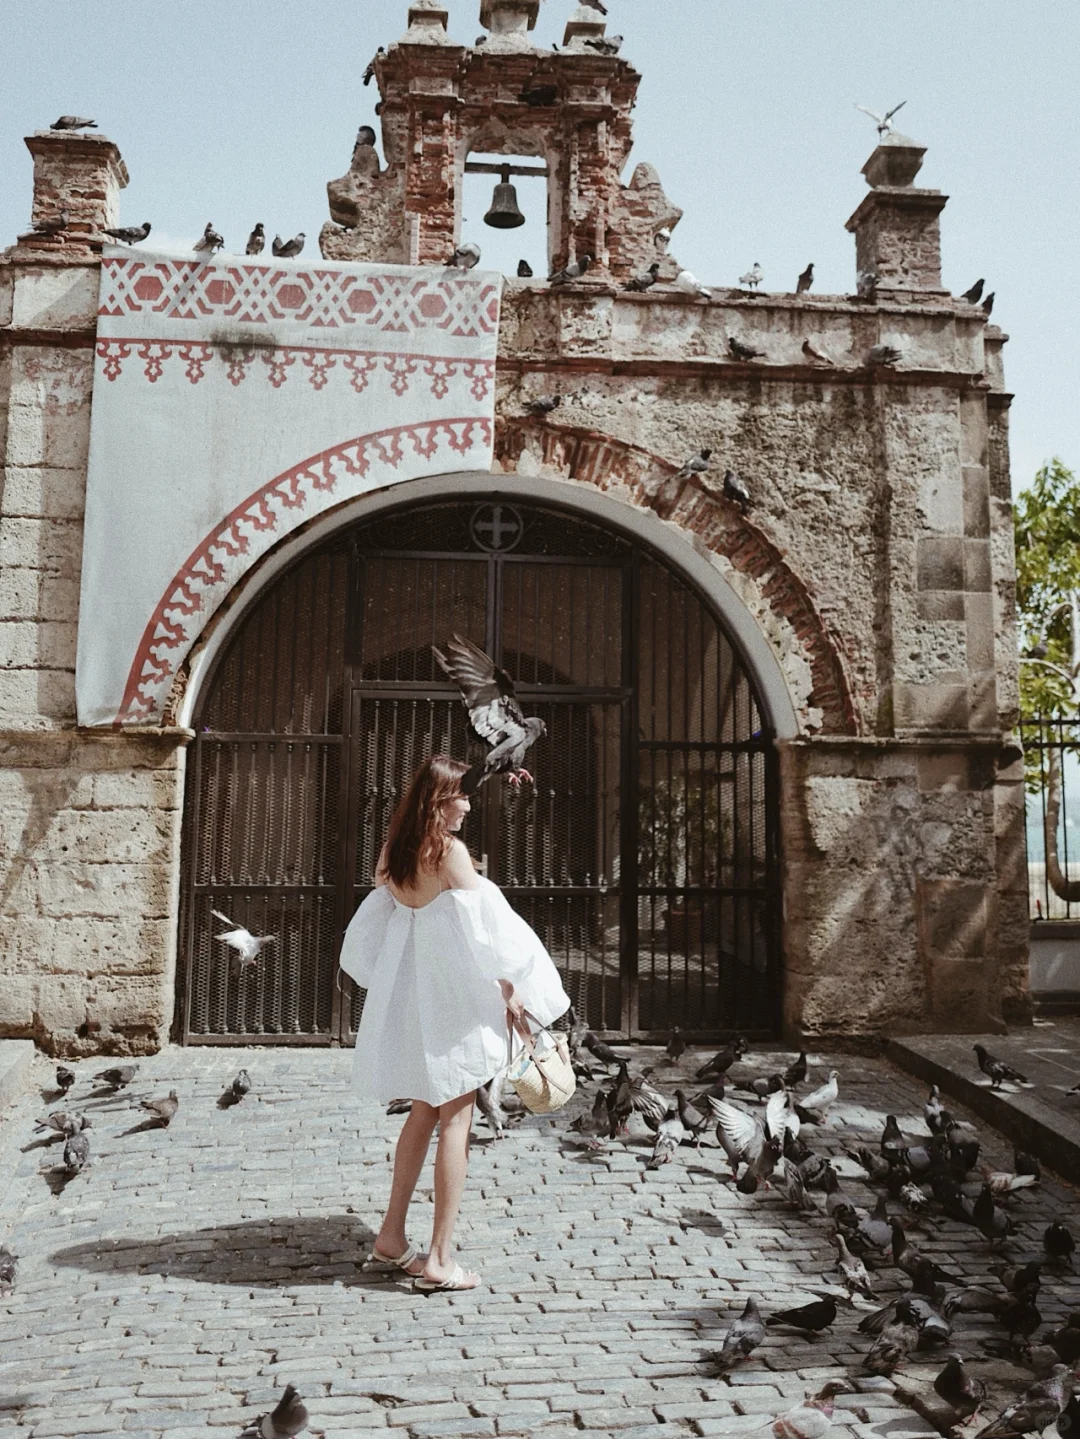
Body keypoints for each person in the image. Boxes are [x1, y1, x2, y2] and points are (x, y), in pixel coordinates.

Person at [338, 753, 570, 1293]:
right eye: (462, 796)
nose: (469, 804)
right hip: (454, 1003)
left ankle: (391, 1238)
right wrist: (512, 994)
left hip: (416, 998)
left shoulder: (394, 850)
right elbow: (491, 937)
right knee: (456, 1122)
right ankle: (440, 1258)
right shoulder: (451, 854)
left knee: (423, 1111)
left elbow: (381, 912)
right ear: (441, 802)